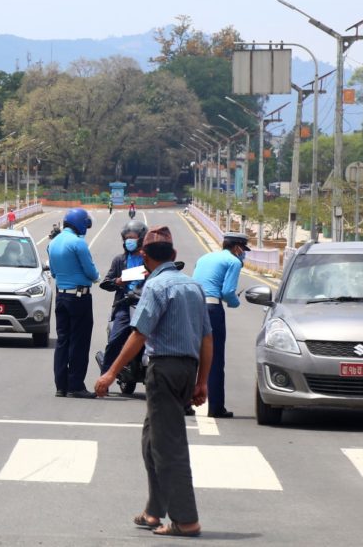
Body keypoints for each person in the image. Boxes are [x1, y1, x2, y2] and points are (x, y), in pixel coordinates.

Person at [94, 226, 213, 538]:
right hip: (186, 369)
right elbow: (207, 338)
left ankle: (186, 520)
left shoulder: (156, 287)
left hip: (163, 369)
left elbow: (139, 334)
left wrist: (109, 373)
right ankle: (153, 511)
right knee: (152, 441)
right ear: (174, 256)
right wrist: (202, 382)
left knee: (168, 446)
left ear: (144, 257)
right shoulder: (192, 287)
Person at [191, 231, 249, 418]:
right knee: (214, 358)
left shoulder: (205, 257)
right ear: (238, 248)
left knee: (190, 356)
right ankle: (216, 407)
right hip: (211, 308)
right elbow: (227, 291)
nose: (243, 254)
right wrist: (235, 302)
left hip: (192, 306)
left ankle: (184, 403)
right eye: (243, 250)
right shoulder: (234, 262)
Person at [47, 208, 99, 399]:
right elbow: (91, 273)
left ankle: (61, 386)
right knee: (79, 341)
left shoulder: (53, 243)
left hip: (61, 296)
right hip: (79, 297)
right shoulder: (78, 243)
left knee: (63, 341)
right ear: (79, 223)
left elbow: (53, 272)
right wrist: (97, 277)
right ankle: (76, 385)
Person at [97, 220, 148, 375]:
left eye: (132, 237)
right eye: (126, 238)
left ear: (141, 239)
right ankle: (104, 377)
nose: (128, 241)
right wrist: (118, 281)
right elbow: (105, 283)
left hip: (146, 306)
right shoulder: (120, 260)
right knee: (115, 341)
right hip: (125, 305)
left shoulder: (149, 260)